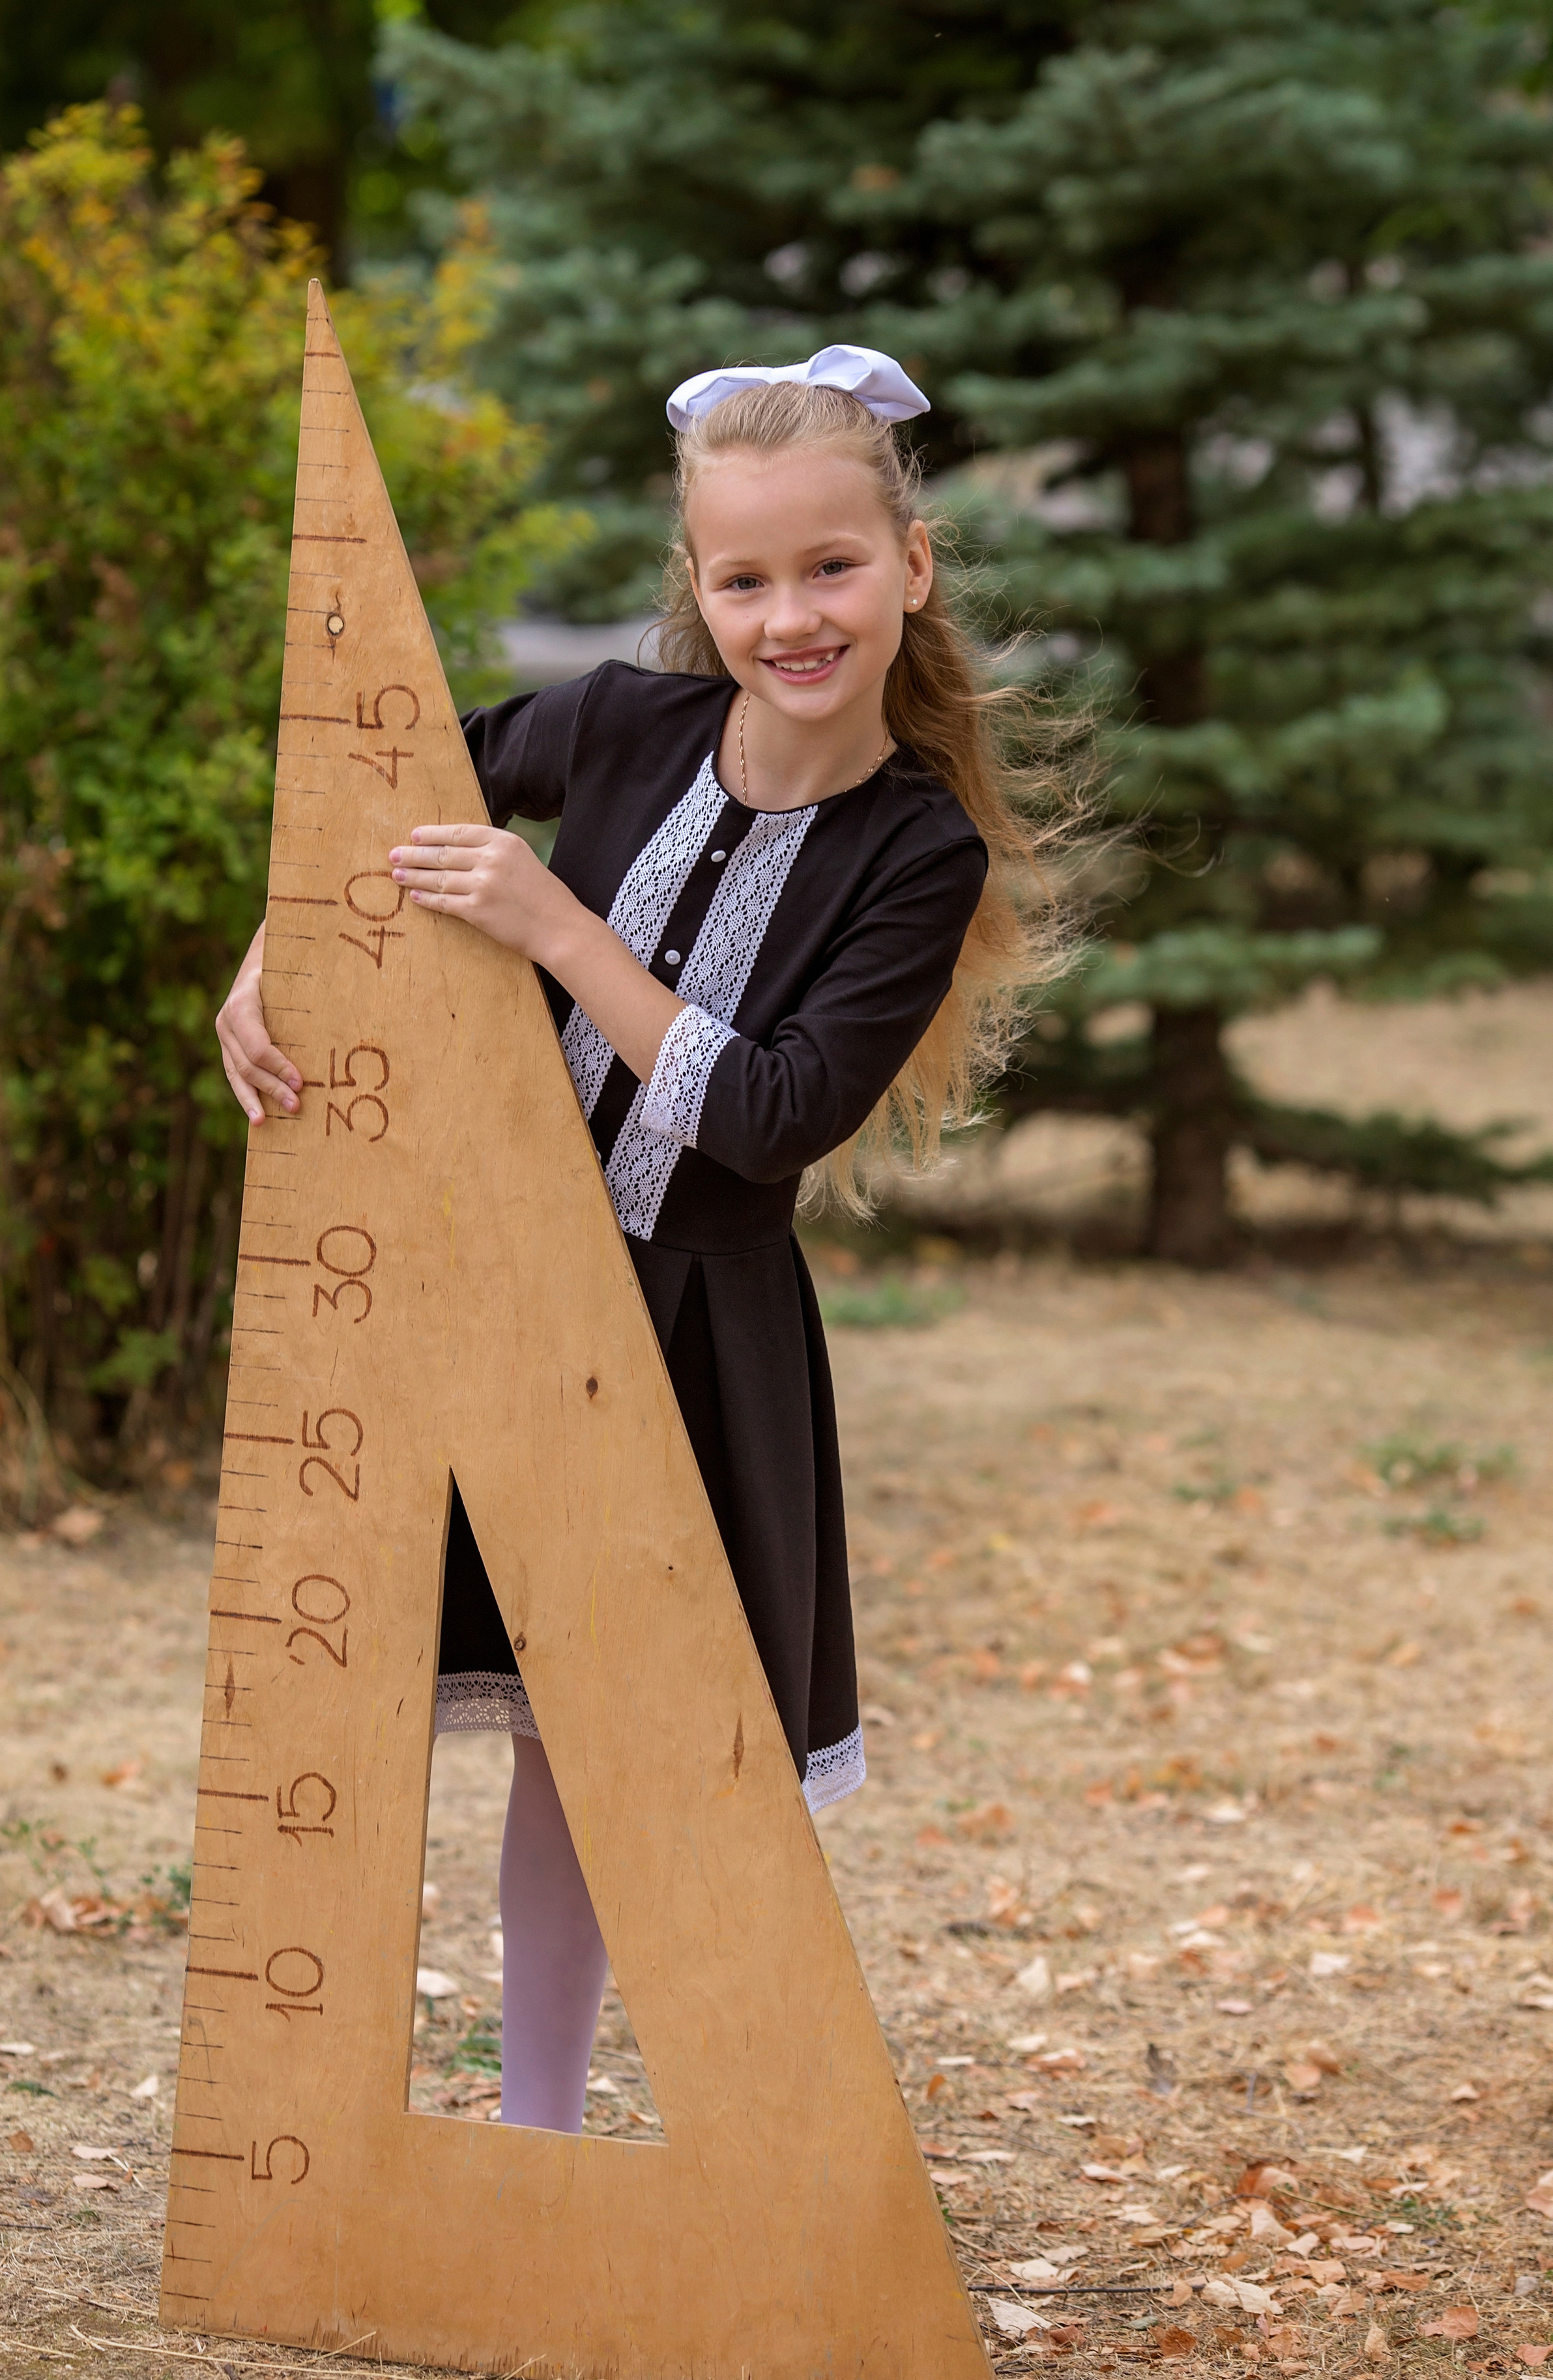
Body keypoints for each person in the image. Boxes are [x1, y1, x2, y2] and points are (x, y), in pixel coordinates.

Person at [215, 343, 1064, 2136]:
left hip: (692, 1331)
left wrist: (550, 921)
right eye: (743, 579)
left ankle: (660, 2138)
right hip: (500, 1288)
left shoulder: (917, 854)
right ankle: (451, 2122)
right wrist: (270, 959)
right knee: (488, 1703)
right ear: (700, 587)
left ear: (910, 567)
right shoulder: (616, 724)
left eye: (829, 568)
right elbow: (377, 803)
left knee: (632, 1752)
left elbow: (765, 1115)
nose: (789, 616)